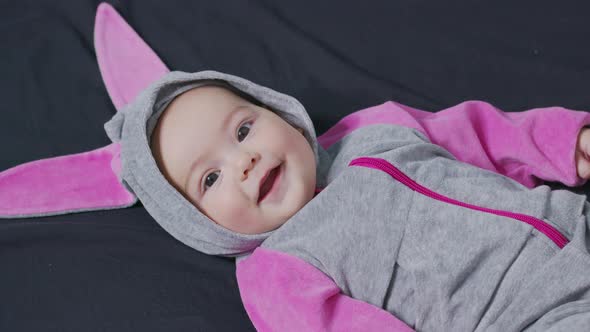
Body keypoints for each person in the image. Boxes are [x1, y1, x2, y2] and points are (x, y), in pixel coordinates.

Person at [104, 70, 590, 331]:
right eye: (210, 179)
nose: (244, 161)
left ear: (279, 111)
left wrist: (563, 142)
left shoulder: (372, 129)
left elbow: (476, 132)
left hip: (576, 222)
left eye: (244, 129)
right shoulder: (278, 270)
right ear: (198, 223)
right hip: (522, 316)